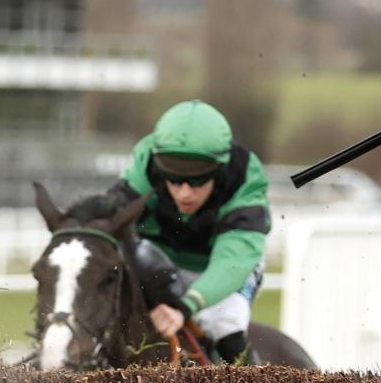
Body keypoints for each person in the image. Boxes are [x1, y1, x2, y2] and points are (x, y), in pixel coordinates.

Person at [108, 99, 271, 364]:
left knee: (223, 325)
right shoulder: (147, 163)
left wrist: (188, 305)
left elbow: (234, 258)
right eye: (173, 178)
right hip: (161, 260)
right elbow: (110, 222)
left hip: (226, 267)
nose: (184, 193)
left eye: (198, 179)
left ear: (219, 169)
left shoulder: (243, 176)